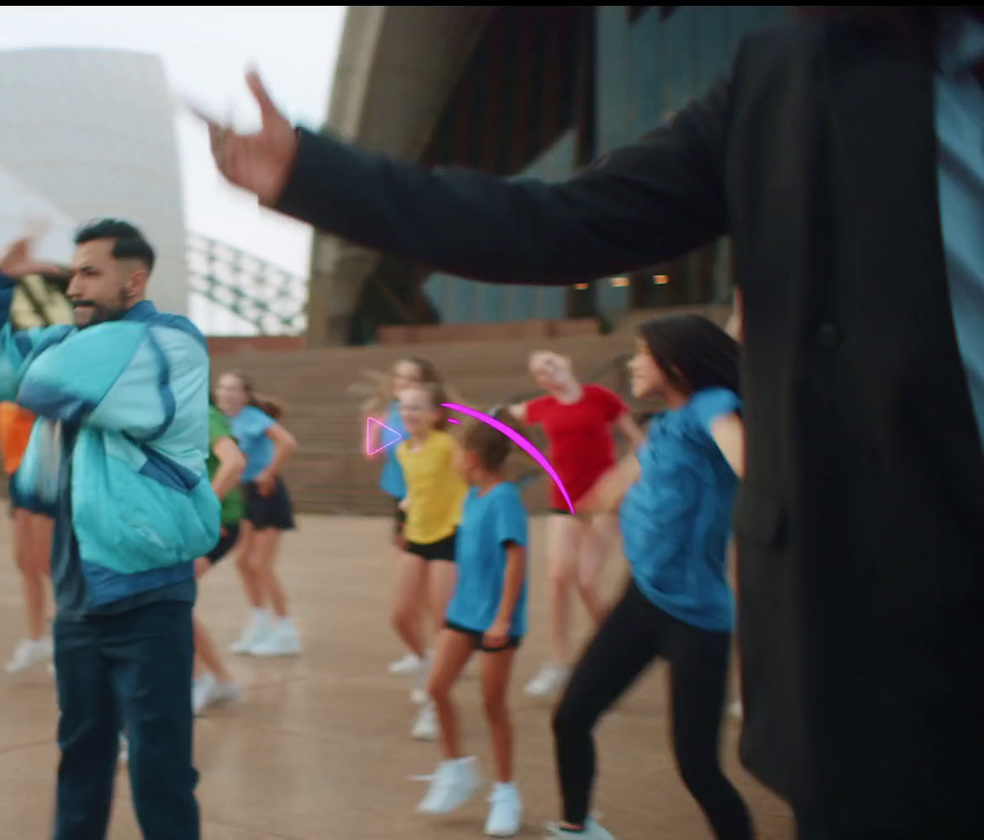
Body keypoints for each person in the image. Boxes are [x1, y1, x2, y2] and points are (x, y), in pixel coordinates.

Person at [200, 11, 984, 831]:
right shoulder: (792, 78)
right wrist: (317, 176)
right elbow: (562, 223)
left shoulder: (688, 408)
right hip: (890, 635)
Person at [0, 219, 219, 840]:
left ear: (136, 279)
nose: (75, 286)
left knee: (161, 774)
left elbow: (39, 383)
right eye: (73, 271)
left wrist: (31, 353)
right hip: (79, 601)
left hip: (148, 594)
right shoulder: (78, 342)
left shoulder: (169, 341)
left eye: (91, 272)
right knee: (81, 765)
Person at [543, 315, 751, 840]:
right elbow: (626, 478)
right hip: (642, 602)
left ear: (675, 365)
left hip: (697, 620)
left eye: (641, 354)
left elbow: (743, 455)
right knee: (571, 717)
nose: (633, 362)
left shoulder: (711, 410)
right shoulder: (665, 424)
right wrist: (599, 502)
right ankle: (576, 827)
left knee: (698, 768)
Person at [414, 409, 529, 838]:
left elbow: (516, 559)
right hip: (464, 613)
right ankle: (457, 768)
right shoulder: (471, 496)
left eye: (459, 451)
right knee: (436, 687)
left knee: (492, 704)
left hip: (497, 619)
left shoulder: (505, 498)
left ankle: (505, 792)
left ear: (475, 456)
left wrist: (502, 617)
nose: (454, 458)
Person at [507, 351, 643, 699]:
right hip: (563, 500)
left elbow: (638, 442)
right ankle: (558, 662)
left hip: (602, 502)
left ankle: (617, 651)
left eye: (550, 363)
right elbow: (503, 419)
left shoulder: (601, 397)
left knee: (586, 580)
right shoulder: (541, 407)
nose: (547, 372)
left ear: (566, 362)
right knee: (557, 576)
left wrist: (622, 479)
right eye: (539, 371)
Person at [358, 357, 446, 677]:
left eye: (412, 379)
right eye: (399, 377)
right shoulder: (390, 414)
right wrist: (371, 427)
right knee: (411, 586)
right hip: (401, 500)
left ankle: (439, 649)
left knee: (426, 586)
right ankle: (421, 650)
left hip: (430, 502)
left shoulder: (431, 417)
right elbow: (372, 453)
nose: (403, 383)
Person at [392, 382, 468, 742]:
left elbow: (470, 478)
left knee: (442, 623)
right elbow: (415, 489)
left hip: (449, 536)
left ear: (436, 413)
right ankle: (427, 667)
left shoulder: (447, 445)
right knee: (400, 615)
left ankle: (436, 705)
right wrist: (407, 509)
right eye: (405, 407)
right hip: (416, 534)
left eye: (417, 407)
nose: (409, 414)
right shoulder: (404, 449)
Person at [213, 371, 302, 657]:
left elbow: (287, 442)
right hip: (244, 495)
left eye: (234, 389)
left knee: (262, 564)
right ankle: (261, 622)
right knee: (243, 562)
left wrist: (269, 472)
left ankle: (287, 631)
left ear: (245, 395)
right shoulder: (221, 420)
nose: (227, 393)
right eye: (223, 388)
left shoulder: (253, 417)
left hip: (266, 493)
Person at [192, 400, 246, 716]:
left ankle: (203, 677)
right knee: (172, 598)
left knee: (170, 597)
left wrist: (205, 507)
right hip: (201, 522)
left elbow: (234, 462)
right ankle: (219, 679)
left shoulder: (203, 414)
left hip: (217, 523)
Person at [0, 399, 56, 674]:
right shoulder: (1, 379)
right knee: (24, 560)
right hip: (16, 469)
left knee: (48, 563)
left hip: (43, 469)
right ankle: (36, 638)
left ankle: (64, 638)